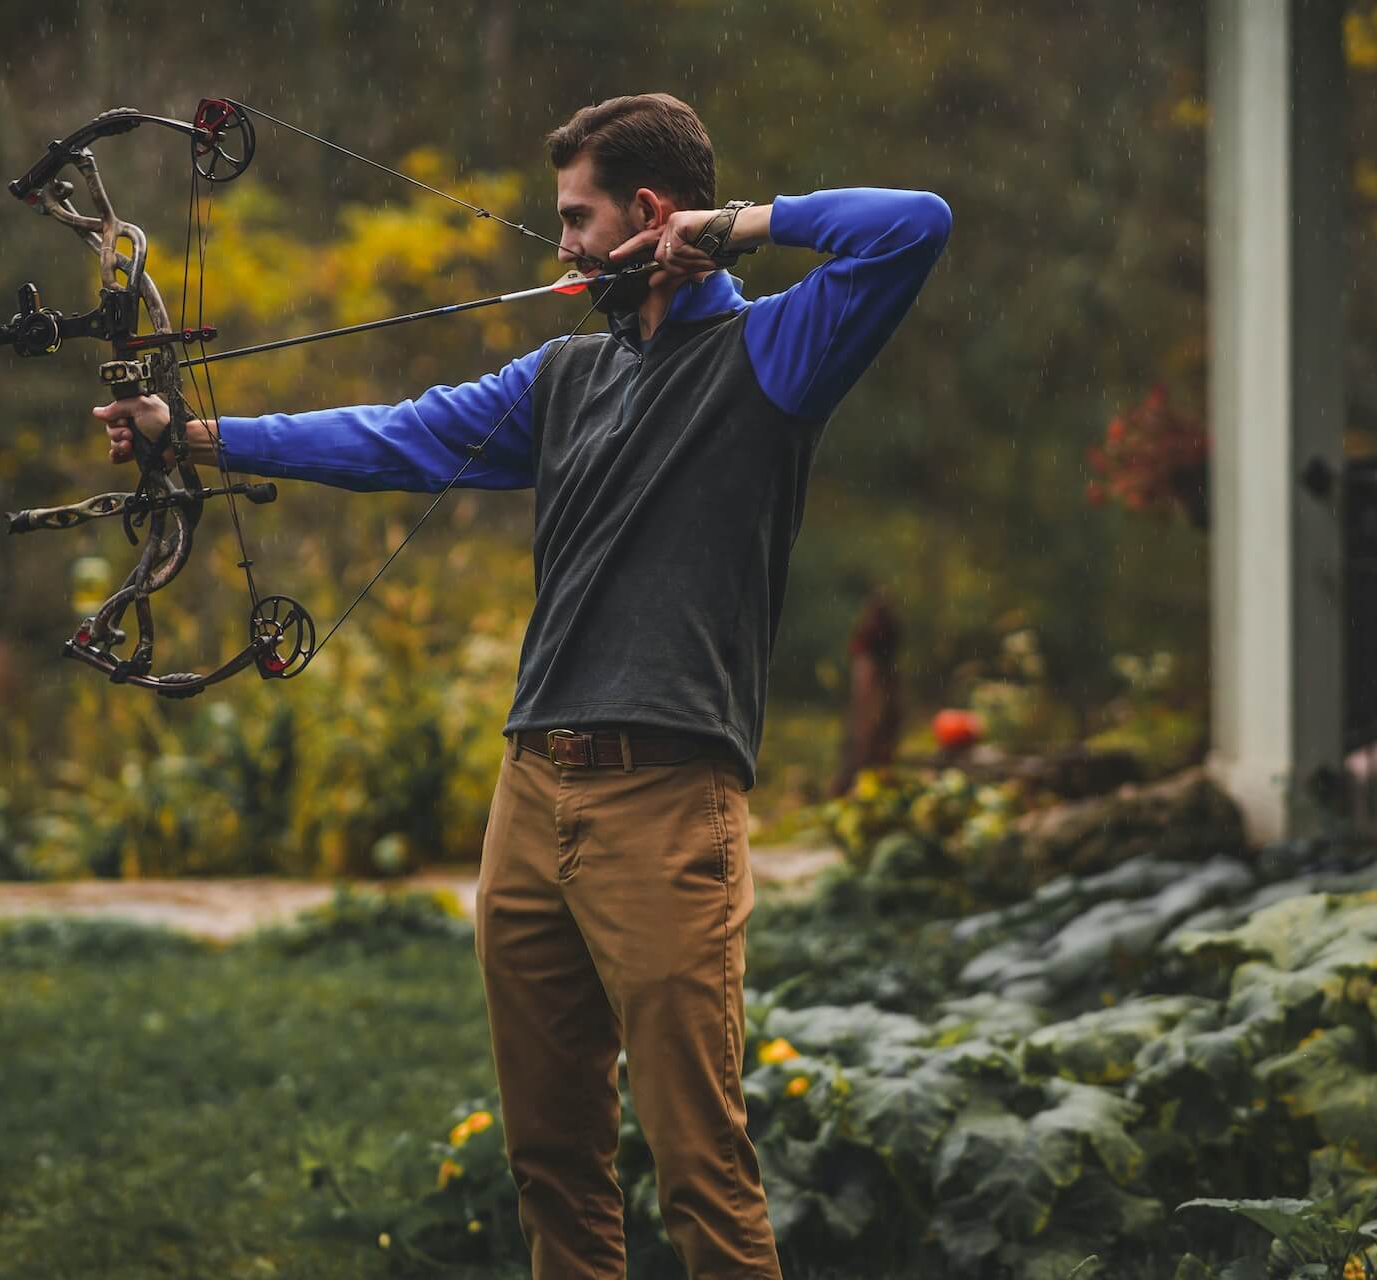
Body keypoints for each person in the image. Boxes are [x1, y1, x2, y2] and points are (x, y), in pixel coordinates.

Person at [98, 92, 948, 1280]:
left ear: (649, 215)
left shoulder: (772, 355)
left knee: (700, 1166)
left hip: (666, 803)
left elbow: (916, 224)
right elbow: (388, 436)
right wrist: (192, 436)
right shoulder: (565, 377)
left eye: (577, 219)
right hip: (531, 794)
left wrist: (736, 226)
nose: (562, 247)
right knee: (552, 1162)